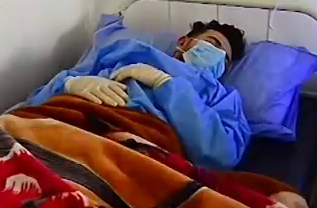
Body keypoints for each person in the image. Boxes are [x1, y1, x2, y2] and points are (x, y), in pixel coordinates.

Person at [26, 19, 251, 169]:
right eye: (212, 43)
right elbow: (35, 101)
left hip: (140, 140)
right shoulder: (125, 51)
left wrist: (166, 84)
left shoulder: (222, 97)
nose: (218, 55)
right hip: (73, 115)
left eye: (225, 58)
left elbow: (220, 156)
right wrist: (70, 84)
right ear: (184, 42)